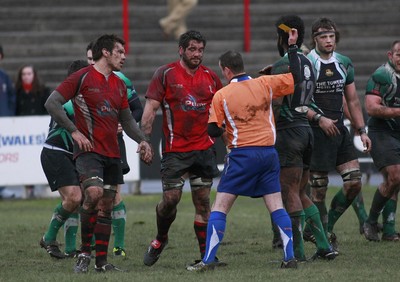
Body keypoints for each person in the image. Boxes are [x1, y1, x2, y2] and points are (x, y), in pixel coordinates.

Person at [187, 29, 303, 272]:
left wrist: (228, 128)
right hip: (269, 154)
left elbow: (212, 130)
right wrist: (292, 48)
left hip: (242, 155)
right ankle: (289, 257)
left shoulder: (222, 95)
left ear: (226, 70)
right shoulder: (266, 84)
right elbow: (297, 78)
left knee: (220, 207)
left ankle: (207, 260)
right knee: (276, 206)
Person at [45, 34, 153, 273]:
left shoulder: (118, 83)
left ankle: (101, 263)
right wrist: (74, 131)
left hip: (112, 152)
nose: (124, 57)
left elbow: (126, 119)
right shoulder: (81, 77)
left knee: (106, 205)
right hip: (88, 151)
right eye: (120, 52)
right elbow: (52, 103)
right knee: (92, 194)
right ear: (105, 52)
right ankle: (84, 254)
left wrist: (143, 141)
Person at [141, 30, 223, 267]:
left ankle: (207, 257)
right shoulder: (165, 74)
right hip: (175, 150)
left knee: (203, 202)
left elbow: (221, 112)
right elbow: (149, 112)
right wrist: (144, 141)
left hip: (204, 149)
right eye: (192, 49)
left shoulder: (211, 77)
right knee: (170, 199)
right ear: (181, 50)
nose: (197, 54)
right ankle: (161, 238)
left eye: (200, 50)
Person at [269, 15, 336, 261]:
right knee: (301, 190)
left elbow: (277, 103)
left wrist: (269, 134)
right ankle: (323, 245)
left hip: (289, 132)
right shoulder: (308, 62)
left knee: (289, 191)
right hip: (307, 132)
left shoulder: (281, 64)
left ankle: (296, 252)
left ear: (281, 36)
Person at [306, 17, 371, 251]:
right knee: (318, 191)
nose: (328, 41)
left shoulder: (344, 62)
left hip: (340, 131)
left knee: (354, 183)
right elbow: (299, 102)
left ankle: (328, 227)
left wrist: (361, 130)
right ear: (315, 39)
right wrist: (318, 118)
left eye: (331, 36)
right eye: (323, 36)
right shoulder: (308, 63)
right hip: (315, 132)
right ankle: (320, 236)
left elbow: (352, 100)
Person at [86, 42, 144, 257]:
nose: (91, 62)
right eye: (89, 59)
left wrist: (124, 123)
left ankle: (118, 245)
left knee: (114, 194)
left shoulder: (122, 81)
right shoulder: (82, 80)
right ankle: (90, 243)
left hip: (113, 143)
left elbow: (137, 109)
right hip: (88, 145)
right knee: (91, 193)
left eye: (94, 58)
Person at [39, 60, 89, 259]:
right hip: (56, 152)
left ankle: (69, 249)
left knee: (76, 200)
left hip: (71, 155)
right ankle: (49, 237)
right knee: (74, 198)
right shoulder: (69, 100)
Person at [362, 40, 400, 242]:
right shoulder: (382, 75)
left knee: (395, 181)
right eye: (399, 54)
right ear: (390, 55)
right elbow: (371, 107)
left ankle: (389, 230)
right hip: (382, 131)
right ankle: (370, 221)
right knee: (395, 176)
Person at [15, 64, 51, 199]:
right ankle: (28, 187)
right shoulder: (17, 93)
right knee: (27, 159)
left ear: (34, 75)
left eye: (29, 74)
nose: (26, 77)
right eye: (24, 74)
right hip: (24, 134)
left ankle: (48, 184)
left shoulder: (43, 91)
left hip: (39, 133)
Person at [0, 44, 16, 199]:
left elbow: (12, 97)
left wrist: (9, 114)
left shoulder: (4, 77)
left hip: (3, 124)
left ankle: (2, 187)